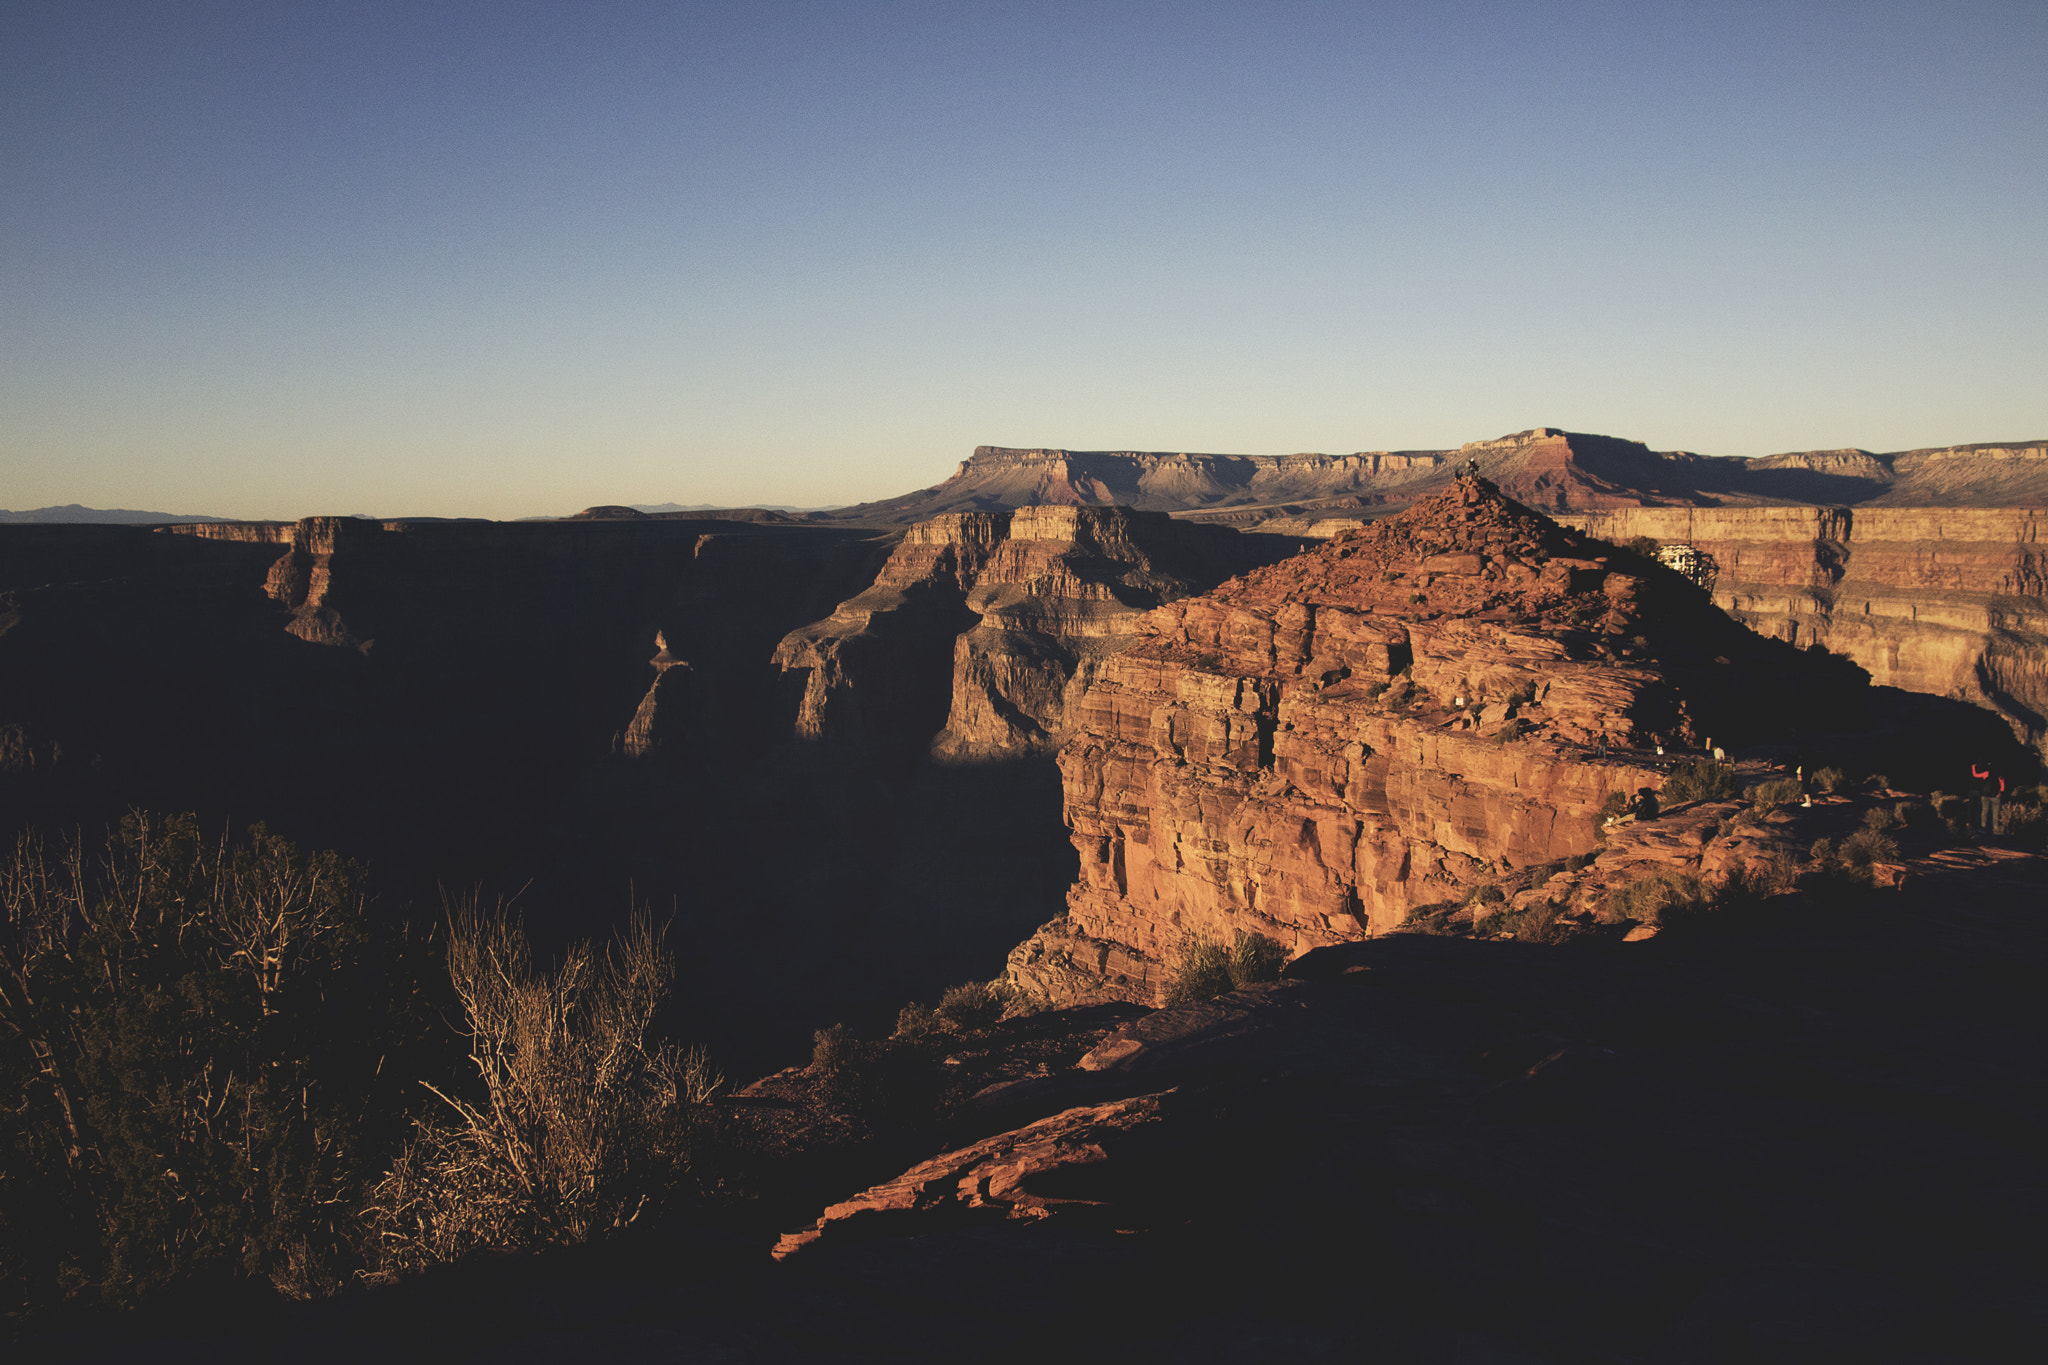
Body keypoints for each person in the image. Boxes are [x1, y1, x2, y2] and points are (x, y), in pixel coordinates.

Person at [1972, 763, 2005, 833]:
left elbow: (1975, 775)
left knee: (1984, 812)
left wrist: (1973, 767)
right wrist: (2000, 793)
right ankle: (1996, 829)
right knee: (1996, 813)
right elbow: (2002, 785)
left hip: (1985, 795)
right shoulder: (1999, 774)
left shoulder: (1986, 773)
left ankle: (1983, 828)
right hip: (1996, 796)